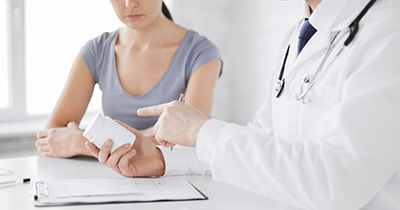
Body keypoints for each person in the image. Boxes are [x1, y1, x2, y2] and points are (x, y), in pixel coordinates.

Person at [86, 0, 400, 209]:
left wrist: (202, 130)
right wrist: (166, 160)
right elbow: (263, 141)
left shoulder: (389, 31)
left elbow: (338, 181)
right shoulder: (299, 36)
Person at [35, 0, 222, 158]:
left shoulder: (201, 53)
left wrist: (80, 142)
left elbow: (191, 134)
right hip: (112, 181)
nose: (129, 4)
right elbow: (52, 135)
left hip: (173, 180)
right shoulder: (96, 51)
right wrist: (147, 139)